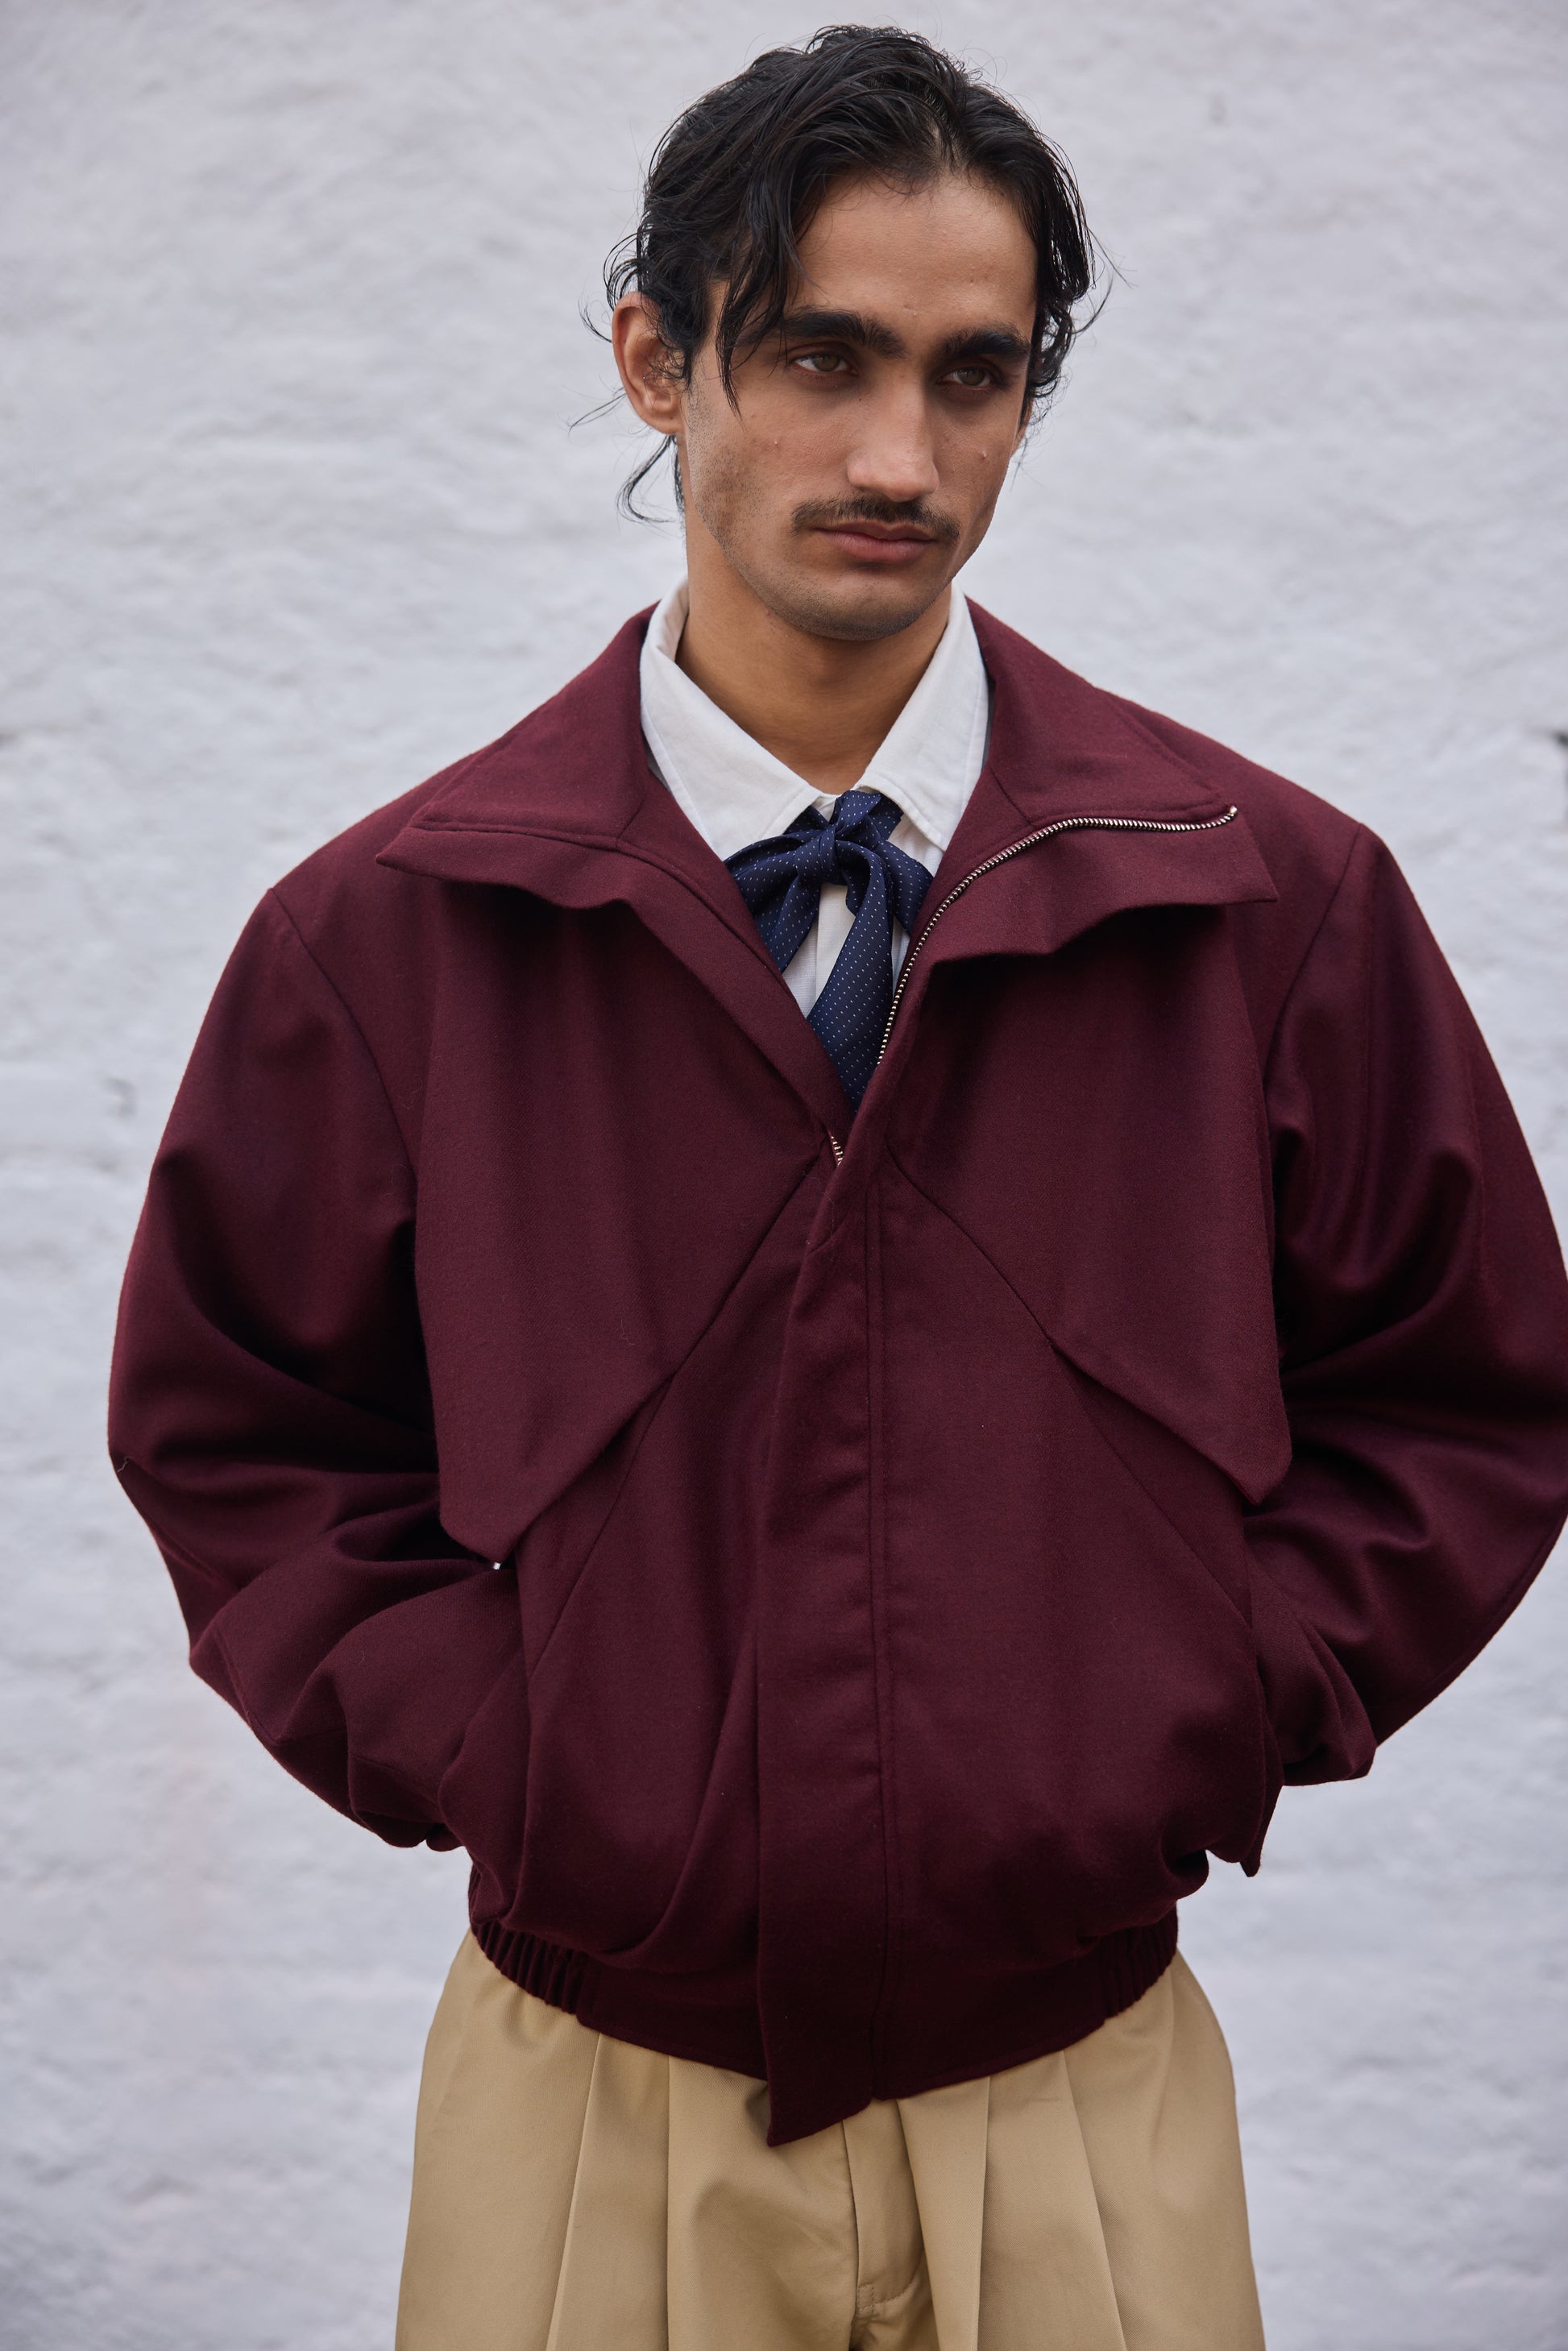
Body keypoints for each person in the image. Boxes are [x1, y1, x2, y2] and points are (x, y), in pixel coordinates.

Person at [108, 26, 1568, 2350]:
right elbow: (246, 1434)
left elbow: (1462, 1393)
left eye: (974, 375)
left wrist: (1192, 1708)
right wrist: (529, 1762)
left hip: (1079, 2096)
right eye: (818, 356)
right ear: (654, 361)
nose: (901, 456)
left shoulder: (1262, 903)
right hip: (592, 2105)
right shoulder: (391, 936)